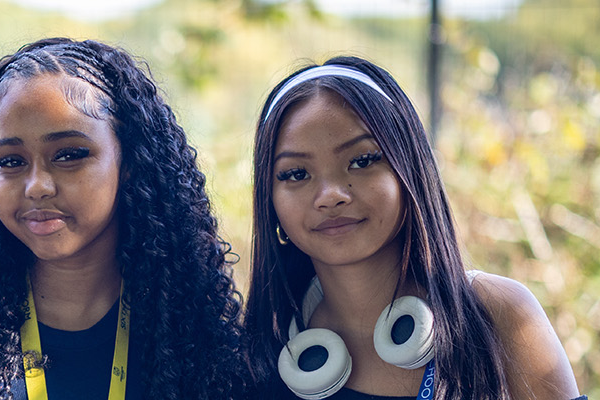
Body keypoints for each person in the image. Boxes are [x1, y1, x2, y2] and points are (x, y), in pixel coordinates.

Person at [0, 38, 251, 399]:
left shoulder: (196, 328)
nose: (37, 185)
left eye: (69, 154)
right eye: (10, 161)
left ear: (129, 163)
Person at [242, 56, 582, 400]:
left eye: (361, 161)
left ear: (411, 172)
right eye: (296, 174)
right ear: (270, 201)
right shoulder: (256, 356)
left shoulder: (501, 313)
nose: (330, 196)